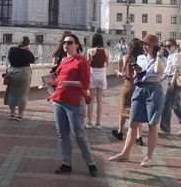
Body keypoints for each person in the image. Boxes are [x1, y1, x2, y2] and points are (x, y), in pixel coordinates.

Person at [109, 33, 165, 168]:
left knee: (152, 124)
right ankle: (125, 153)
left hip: (154, 89)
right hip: (139, 88)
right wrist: (136, 71)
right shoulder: (140, 57)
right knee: (133, 123)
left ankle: (148, 157)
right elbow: (136, 74)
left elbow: (158, 71)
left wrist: (158, 55)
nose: (145, 47)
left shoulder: (161, 59)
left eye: (148, 45)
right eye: (144, 44)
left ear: (155, 47)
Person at [48, 33, 97, 176]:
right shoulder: (63, 60)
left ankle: (91, 164)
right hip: (58, 100)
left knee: (78, 134)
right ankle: (66, 163)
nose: (66, 45)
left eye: (69, 42)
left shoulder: (81, 62)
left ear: (76, 45)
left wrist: (68, 83)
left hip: (74, 102)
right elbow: (59, 79)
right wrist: (50, 82)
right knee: (62, 133)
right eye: (64, 43)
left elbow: (85, 84)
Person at [159, 38, 181, 136]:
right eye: (165, 46)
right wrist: (160, 80)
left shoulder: (176, 55)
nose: (167, 48)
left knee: (166, 104)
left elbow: (177, 70)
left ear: (174, 46)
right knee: (176, 105)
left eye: (169, 46)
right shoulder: (171, 55)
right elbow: (167, 71)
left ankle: (165, 128)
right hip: (172, 80)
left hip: (175, 81)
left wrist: (173, 83)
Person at [112, 38, 144, 142]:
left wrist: (118, 72)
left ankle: (120, 131)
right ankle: (139, 136)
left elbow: (125, 74)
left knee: (124, 108)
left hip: (128, 85)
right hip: (139, 86)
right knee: (138, 110)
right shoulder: (143, 59)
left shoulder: (127, 58)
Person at [4, 36, 35, 120]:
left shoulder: (12, 50)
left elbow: (9, 58)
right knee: (23, 94)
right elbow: (33, 60)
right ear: (27, 44)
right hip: (24, 73)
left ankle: (12, 113)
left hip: (12, 72)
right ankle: (20, 115)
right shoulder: (27, 52)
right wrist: (28, 50)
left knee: (11, 93)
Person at [85, 33, 108, 129]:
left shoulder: (90, 50)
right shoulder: (106, 51)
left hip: (93, 74)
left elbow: (87, 63)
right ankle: (98, 123)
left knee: (91, 100)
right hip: (102, 75)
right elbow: (107, 64)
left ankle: (89, 122)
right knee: (100, 100)